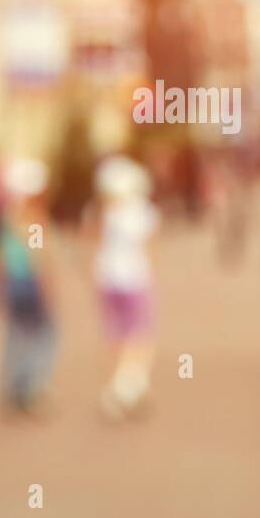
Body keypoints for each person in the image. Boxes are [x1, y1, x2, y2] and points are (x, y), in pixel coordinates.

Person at [93, 155, 160, 419]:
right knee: (140, 337)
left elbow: (93, 245)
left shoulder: (102, 213)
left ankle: (122, 386)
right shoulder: (144, 213)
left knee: (116, 337)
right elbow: (151, 250)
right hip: (135, 280)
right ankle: (126, 389)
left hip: (107, 280)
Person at [0, 157, 57, 416]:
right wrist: (49, 287)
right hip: (30, 282)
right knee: (43, 336)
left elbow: (1, 255)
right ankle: (28, 390)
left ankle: (12, 387)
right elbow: (38, 255)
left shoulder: (7, 216)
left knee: (15, 336)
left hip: (11, 281)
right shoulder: (33, 218)